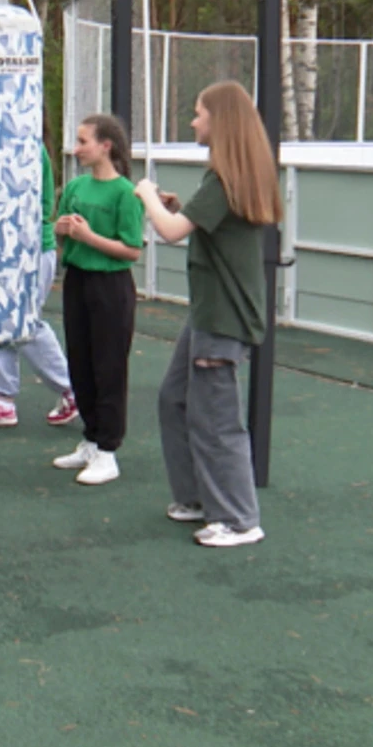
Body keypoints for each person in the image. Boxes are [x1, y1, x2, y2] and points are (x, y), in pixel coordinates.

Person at [135, 82, 282, 548]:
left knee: (217, 418)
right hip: (208, 312)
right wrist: (174, 204)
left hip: (223, 316)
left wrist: (146, 195)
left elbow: (172, 232)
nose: (194, 121)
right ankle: (197, 498)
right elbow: (196, 221)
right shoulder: (223, 179)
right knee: (175, 399)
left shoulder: (224, 180)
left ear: (220, 121)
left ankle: (240, 519)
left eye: (198, 114)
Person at [50, 113, 144, 486]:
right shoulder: (75, 188)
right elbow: (61, 231)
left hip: (111, 288)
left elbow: (131, 249)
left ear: (105, 146)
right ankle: (90, 439)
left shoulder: (125, 193)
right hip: (78, 282)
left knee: (109, 368)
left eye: (83, 141)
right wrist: (62, 231)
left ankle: (108, 450)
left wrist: (89, 238)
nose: (77, 148)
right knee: (81, 363)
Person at [0, 143, 79, 430]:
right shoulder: (2, 141)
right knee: (0, 319)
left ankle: (71, 389)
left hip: (30, 251)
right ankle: (3, 398)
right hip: (7, 250)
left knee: (24, 323)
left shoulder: (24, 143)